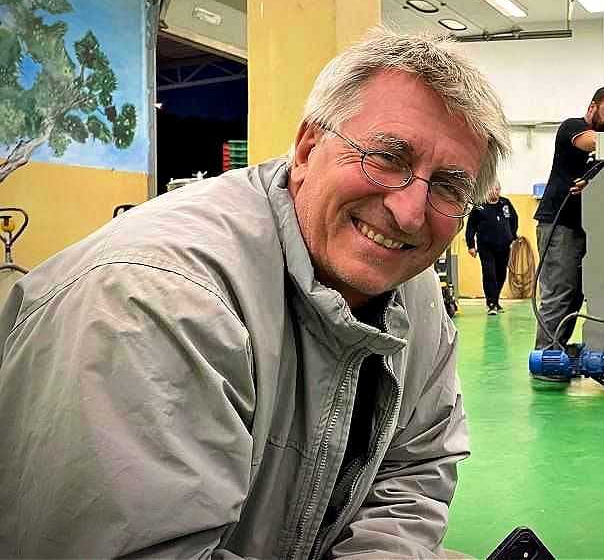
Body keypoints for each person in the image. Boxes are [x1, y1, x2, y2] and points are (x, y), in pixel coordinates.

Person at [0, 29, 510, 558]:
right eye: (386, 158)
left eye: (448, 186)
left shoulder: (411, 283)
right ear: (309, 148)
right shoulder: (153, 300)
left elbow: (418, 461)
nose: (409, 213)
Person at [532, 87, 604, 356]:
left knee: (574, 295)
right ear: (592, 107)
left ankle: (556, 350)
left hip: (581, 227)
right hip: (558, 224)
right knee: (559, 291)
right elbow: (592, 142)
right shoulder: (573, 128)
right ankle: (546, 356)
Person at [465, 183, 518, 315]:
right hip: (486, 246)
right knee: (489, 274)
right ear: (487, 189)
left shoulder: (505, 203)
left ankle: (496, 300)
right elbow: (470, 226)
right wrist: (471, 245)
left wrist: (512, 236)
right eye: (493, 189)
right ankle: (491, 303)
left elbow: (514, 219)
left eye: (498, 189)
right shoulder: (479, 205)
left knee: (501, 274)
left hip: (504, 246)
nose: (496, 192)